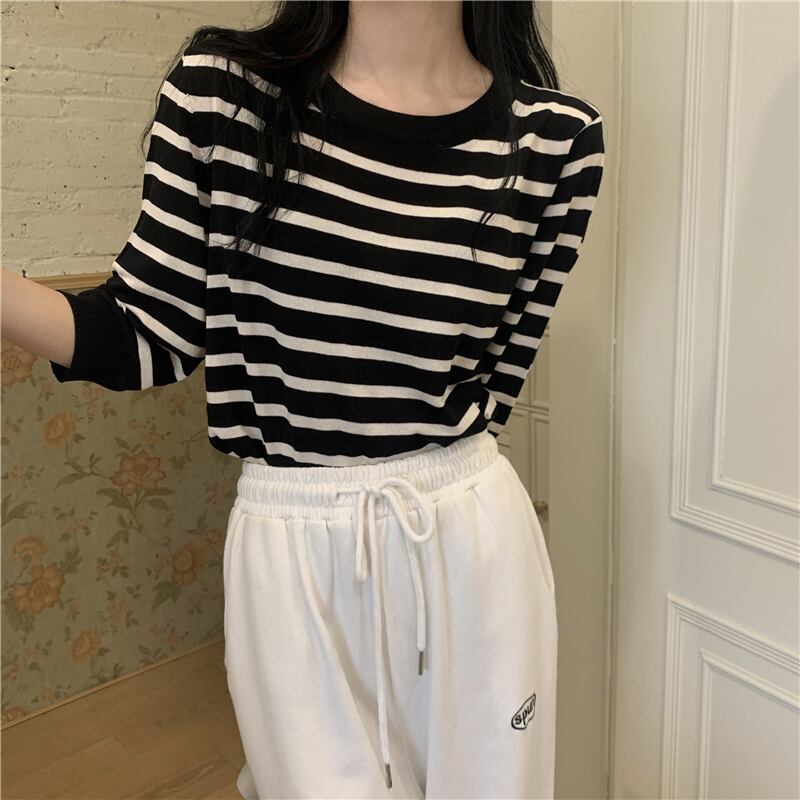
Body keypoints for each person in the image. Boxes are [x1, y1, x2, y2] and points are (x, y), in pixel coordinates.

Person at [1, 1, 605, 797]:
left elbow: (497, 378)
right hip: (292, 548)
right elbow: (144, 337)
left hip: (471, 534)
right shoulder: (223, 98)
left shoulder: (558, 141)